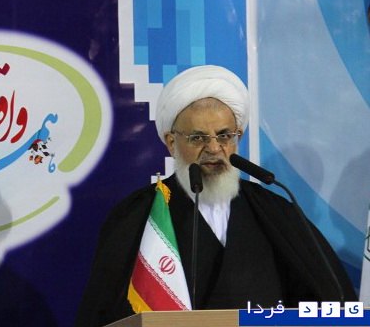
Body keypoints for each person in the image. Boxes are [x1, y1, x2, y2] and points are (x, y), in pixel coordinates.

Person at [74, 65, 355, 327]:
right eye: (198, 137)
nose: (213, 148)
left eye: (224, 136)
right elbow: (103, 312)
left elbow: (331, 302)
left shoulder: (276, 211)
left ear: (238, 137)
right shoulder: (138, 215)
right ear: (171, 142)